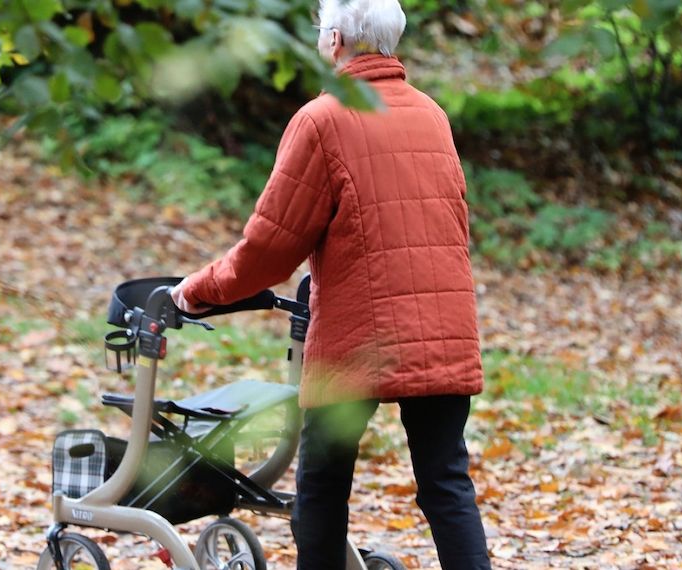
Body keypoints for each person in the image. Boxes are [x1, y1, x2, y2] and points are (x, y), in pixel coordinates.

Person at [171, 0, 492, 568]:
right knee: (446, 485)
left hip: (359, 333)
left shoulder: (322, 120)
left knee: (321, 489)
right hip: (445, 326)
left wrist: (200, 288)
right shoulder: (432, 115)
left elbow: (270, 250)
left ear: (337, 39)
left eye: (323, 30)